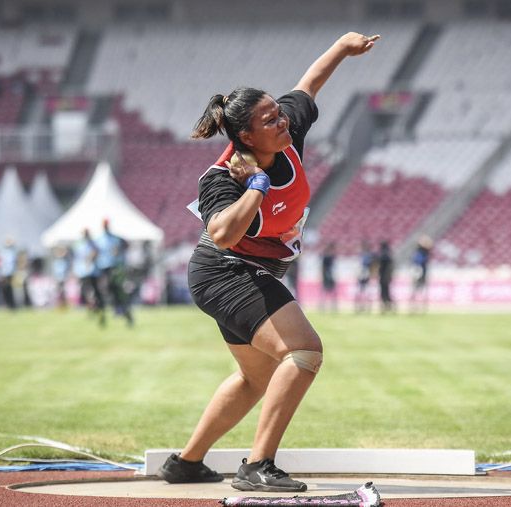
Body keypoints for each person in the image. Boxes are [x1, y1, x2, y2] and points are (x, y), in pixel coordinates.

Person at [157, 32, 380, 493]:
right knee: (304, 352)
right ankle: (257, 466)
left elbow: (309, 84)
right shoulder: (221, 178)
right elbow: (222, 233)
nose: (282, 122)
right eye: (269, 119)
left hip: (247, 271)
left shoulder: (286, 129)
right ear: (245, 136)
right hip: (224, 271)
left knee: (255, 377)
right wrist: (257, 183)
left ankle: (186, 463)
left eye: (279, 114)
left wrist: (341, 47)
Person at [96, 219, 133, 327]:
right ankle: (118, 309)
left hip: (115, 267)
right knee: (109, 289)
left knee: (117, 290)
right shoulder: (99, 239)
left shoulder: (116, 238)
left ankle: (124, 312)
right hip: (104, 267)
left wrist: (119, 252)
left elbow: (125, 245)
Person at [73, 228, 104, 325]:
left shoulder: (93, 244)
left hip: (93, 271)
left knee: (94, 291)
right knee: (85, 291)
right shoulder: (79, 244)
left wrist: (92, 257)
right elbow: (77, 258)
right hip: (83, 272)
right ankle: (91, 308)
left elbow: (96, 253)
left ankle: (97, 308)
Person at [410, 235, 432, 313]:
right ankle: (414, 306)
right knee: (416, 289)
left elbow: (429, 245)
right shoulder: (419, 251)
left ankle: (421, 307)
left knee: (421, 290)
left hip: (421, 271)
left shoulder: (424, 251)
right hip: (417, 271)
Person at [355, 241, 375, 313]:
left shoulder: (366, 256)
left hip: (364, 274)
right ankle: (362, 306)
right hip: (363, 274)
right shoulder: (363, 256)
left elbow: (367, 265)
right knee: (362, 291)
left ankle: (364, 306)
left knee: (365, 291)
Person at [319, 242, 337, 312]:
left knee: (330, 291)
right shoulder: (327, 257)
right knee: (326, 291)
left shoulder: (331, 257)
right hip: (327, 276)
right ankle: (323, 306)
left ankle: (331, 306)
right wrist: (325, 275)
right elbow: (323, 268)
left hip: (330, 276)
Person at [377, 241, 394, 313]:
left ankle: (386, 306)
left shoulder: (384, 255)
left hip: (383, 277)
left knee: (384, 292)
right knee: (386, 292)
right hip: (386, 277)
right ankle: (388, 306)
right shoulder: (388, 255)